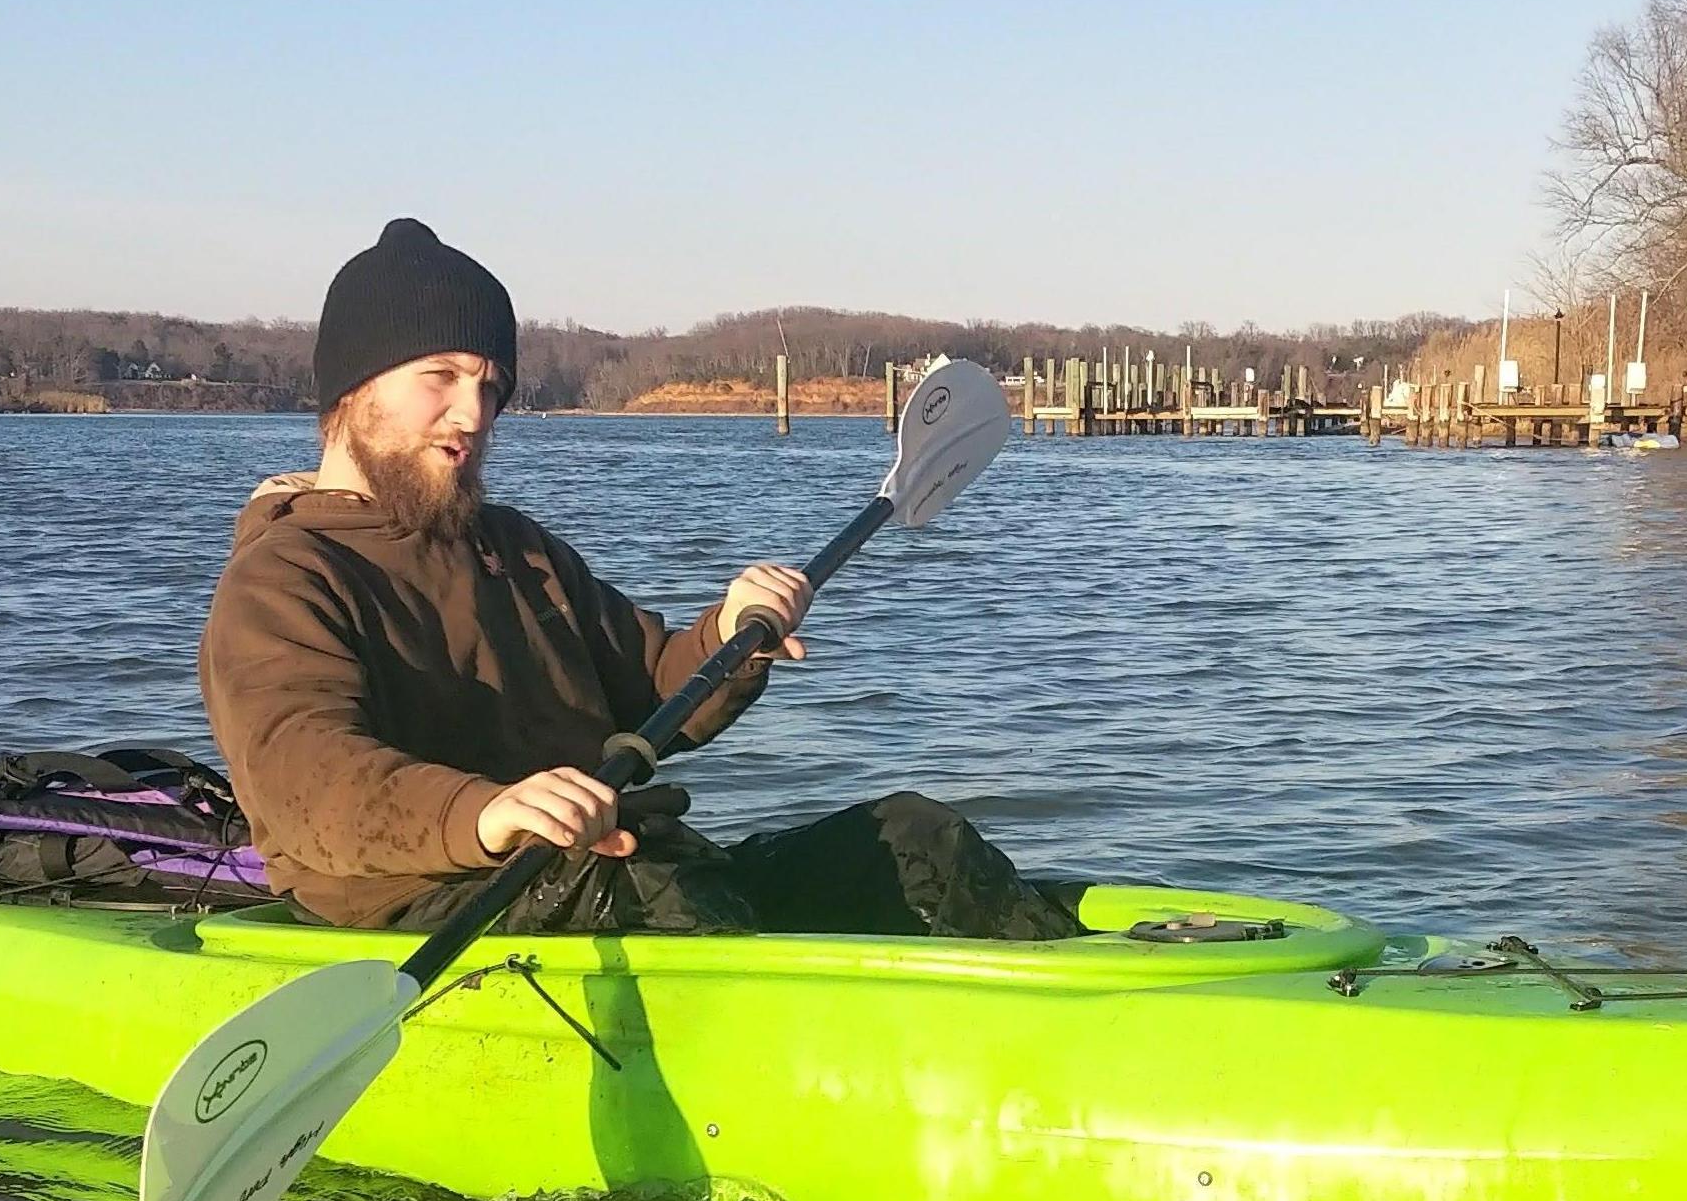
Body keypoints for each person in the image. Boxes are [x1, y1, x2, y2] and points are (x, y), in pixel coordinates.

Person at [199, 217, 1078, 943]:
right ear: (353, 390)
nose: (472, 413)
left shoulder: (513, 548)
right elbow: (305, 779)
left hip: (627, 870)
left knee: (913, 838)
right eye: (440, 377)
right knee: (659, 896)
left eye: (489, 385)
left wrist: (731, 635)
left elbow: (654, 683)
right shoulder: (284, 576)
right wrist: (487, 813)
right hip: (436, 910)